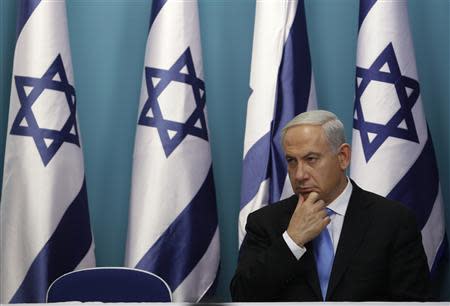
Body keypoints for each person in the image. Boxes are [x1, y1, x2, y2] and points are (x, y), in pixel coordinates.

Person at [230, 110, 430, 301]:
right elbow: (243, 296)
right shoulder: (265, 222)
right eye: (292, 161)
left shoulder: (393, 221)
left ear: (342, 157)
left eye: (311, 159)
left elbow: (412, 301)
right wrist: (292, 241)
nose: (299, 174)